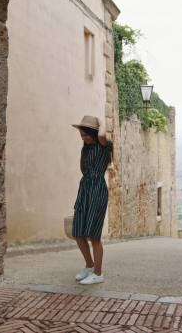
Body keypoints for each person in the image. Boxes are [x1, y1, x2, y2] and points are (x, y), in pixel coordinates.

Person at [71, 115, 113, 285]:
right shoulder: (85, 149)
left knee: (93, 235)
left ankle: (98, 273)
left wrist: (100, 123)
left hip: (97, 190)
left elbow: (102, 136)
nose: (84, 138)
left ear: (94, 133)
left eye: (86, 134)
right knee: (78, 232)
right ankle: (89, 266)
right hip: (85, 190)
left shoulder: (104, 146)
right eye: (81, 135)